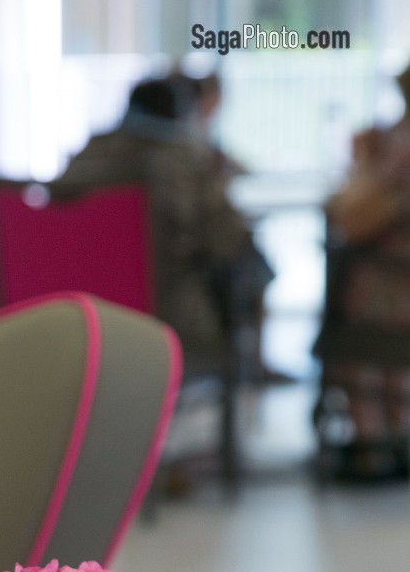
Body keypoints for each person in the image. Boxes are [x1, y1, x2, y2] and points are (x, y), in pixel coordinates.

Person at [52, 77, 267, 372]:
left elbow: (52, 228)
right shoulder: (187, 159)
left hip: (81, 309)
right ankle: (255, 364)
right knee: (250, 268)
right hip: (168, 310)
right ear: (182, 115)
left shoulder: (87, 155)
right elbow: (226, 237)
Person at [315, 62, 410, 480]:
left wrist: (362, 168)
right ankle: (389, 433)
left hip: (393, 283)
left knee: (351, 316)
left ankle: (373, 441)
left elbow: (351, 219)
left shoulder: (399, 150)